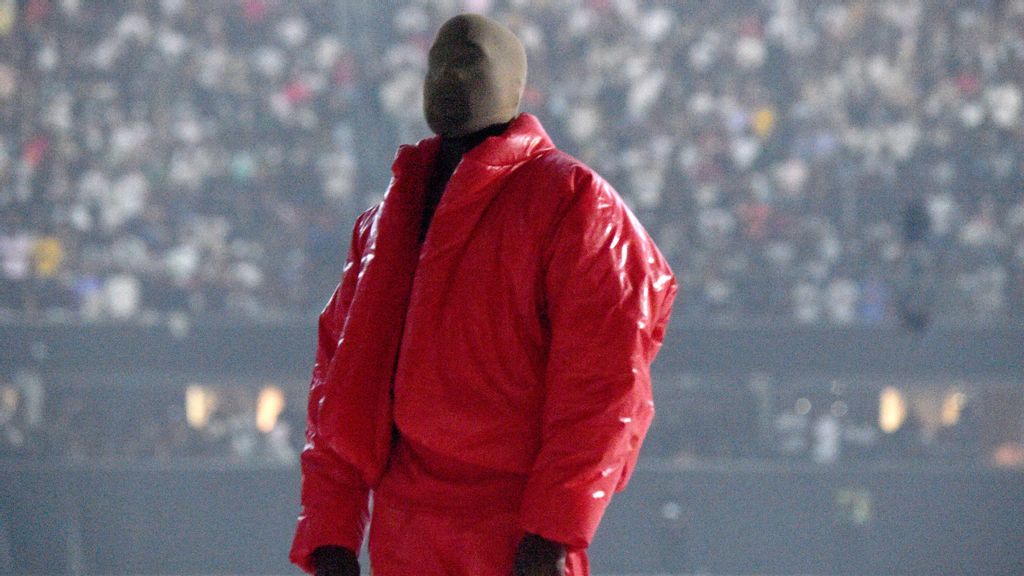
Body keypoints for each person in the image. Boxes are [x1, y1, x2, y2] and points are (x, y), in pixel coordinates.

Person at [289, 13, 677, 576]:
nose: (451, 73)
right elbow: (342, 385)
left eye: (470, 63)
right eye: (442, 60)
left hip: (511, 525)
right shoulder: (384, 222)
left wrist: (552, 529)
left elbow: (606, 384)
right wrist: (330, 534)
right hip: (409, 527)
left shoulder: (575, 202)